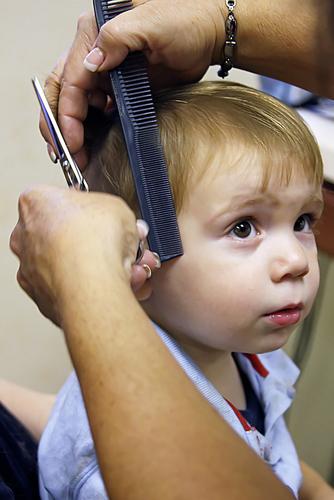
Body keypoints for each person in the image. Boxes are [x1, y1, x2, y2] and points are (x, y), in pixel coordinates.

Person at [9, 1, 334, 498]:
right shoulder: (106, 467)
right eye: (244, 228)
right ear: (138, 250)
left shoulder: (240, 352)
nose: (296, 262)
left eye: (303, 221)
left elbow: (284, 467)